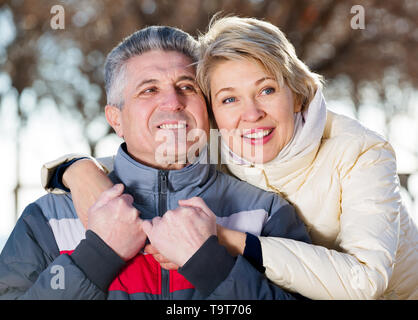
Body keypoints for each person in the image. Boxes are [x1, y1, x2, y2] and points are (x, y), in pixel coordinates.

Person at [45, 16, 418, 300]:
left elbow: (364, 282)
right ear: (212, 112)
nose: (251, 114)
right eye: (228, 99)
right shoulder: (219, 145)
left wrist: (224, 239)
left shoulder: (361, 153)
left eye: (267, 89)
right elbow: (149, 159)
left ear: (299, 95)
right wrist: (77, 170)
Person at [0, 25, 312, 300]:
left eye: (187, 87)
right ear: (116, 119)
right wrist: (95, 257)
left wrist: (210, 265)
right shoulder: (47, 219)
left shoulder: (266, 213)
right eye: (149, 90)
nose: (173, 102)